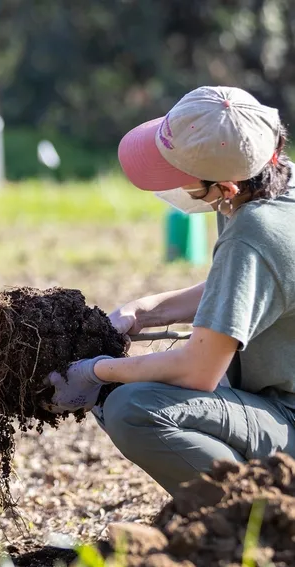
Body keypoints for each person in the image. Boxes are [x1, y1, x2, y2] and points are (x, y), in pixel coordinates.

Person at [45, 86, 295, 495]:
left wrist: (96, 370)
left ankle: (260, 517)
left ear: (226, 187)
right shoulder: (274, 187)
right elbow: (248, 288)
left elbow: (199, 371)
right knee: (145, 379)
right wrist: (147, 310)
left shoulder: (252, 234)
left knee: (133, 408)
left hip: (289, 417)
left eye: (185, 181)